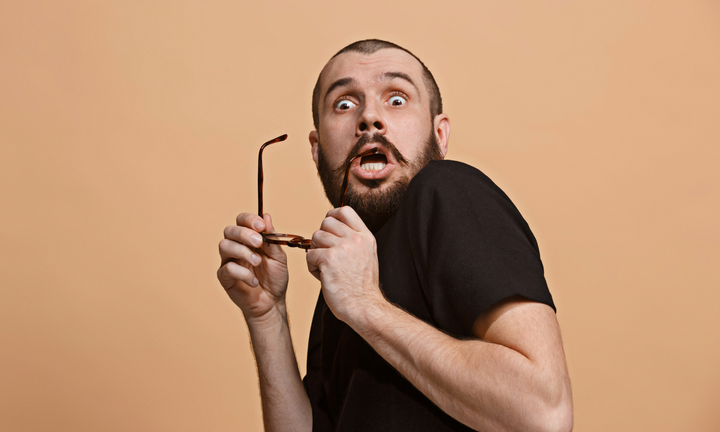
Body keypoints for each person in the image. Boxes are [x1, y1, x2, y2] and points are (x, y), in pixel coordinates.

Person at [217, 39, 573, 432]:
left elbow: (543, 414)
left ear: (440, 134)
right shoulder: (345, 271)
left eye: (397, 99)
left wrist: (366, 305)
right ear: (317, 150)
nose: (369, 117)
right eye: (345, 104)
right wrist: (268, 316)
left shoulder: (447, 191)